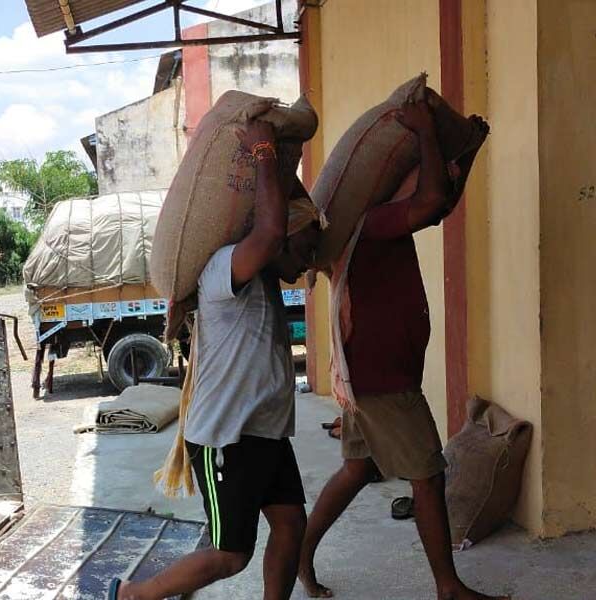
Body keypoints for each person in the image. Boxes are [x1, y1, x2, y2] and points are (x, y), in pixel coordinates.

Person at [296, 101, 504, 600]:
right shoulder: (370, 222)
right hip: (384, 381)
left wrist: (469, 152)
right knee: (428, 477)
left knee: (359, 468)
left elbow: (439, 204)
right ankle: (448, 587)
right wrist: (427, 132)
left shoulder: (373, 221)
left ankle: (298, 555)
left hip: (367, 374)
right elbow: (433, 200)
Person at [108, 121, 324, 600]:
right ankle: (133, 596)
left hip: (263, 432)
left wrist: (288, 169)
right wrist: (265, 151)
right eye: (306, 249)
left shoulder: (264, 278)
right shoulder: (227, 269)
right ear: (284, 237)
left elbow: (285, 225)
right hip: (229, 435)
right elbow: (269, 233)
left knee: (290, 524)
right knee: (232, 554)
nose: (309, 264)